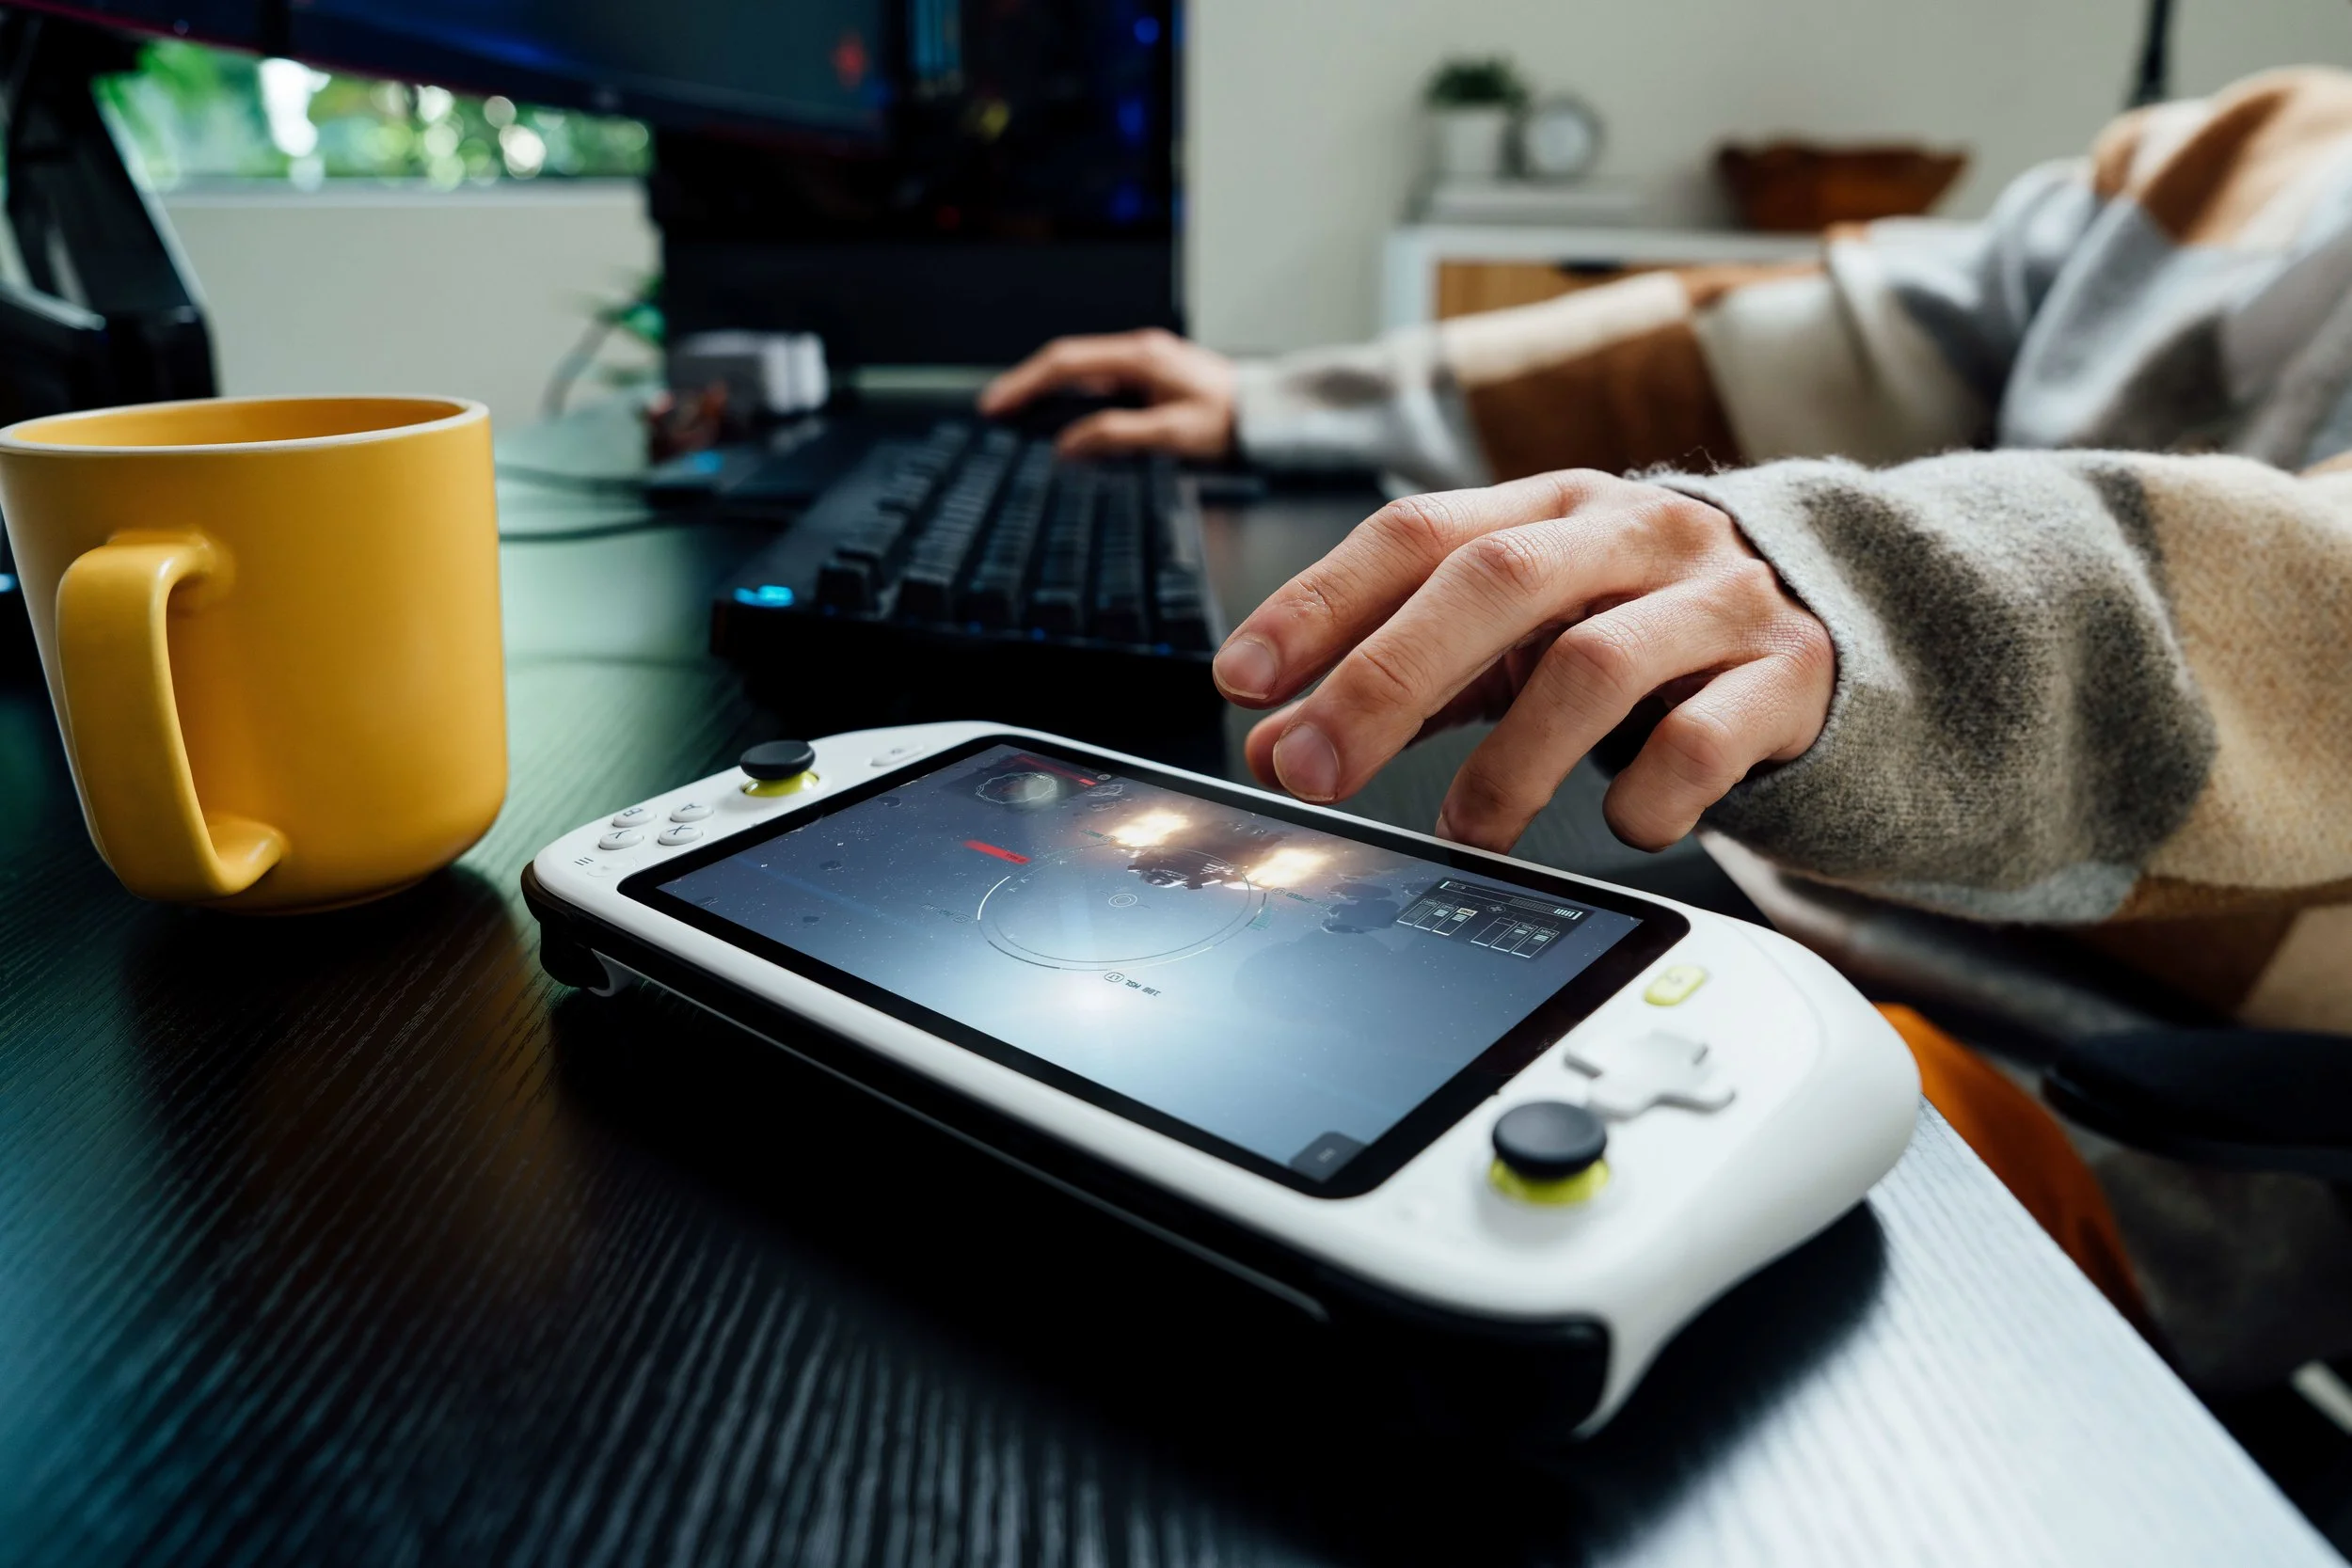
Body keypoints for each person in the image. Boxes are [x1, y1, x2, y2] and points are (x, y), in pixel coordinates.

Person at [982, 68, 2352, 1392]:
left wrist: (1846, 607)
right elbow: (1831, 336)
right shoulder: (2248, 149)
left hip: (2110, 1094)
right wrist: (1281, 399)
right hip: (1799, 904)